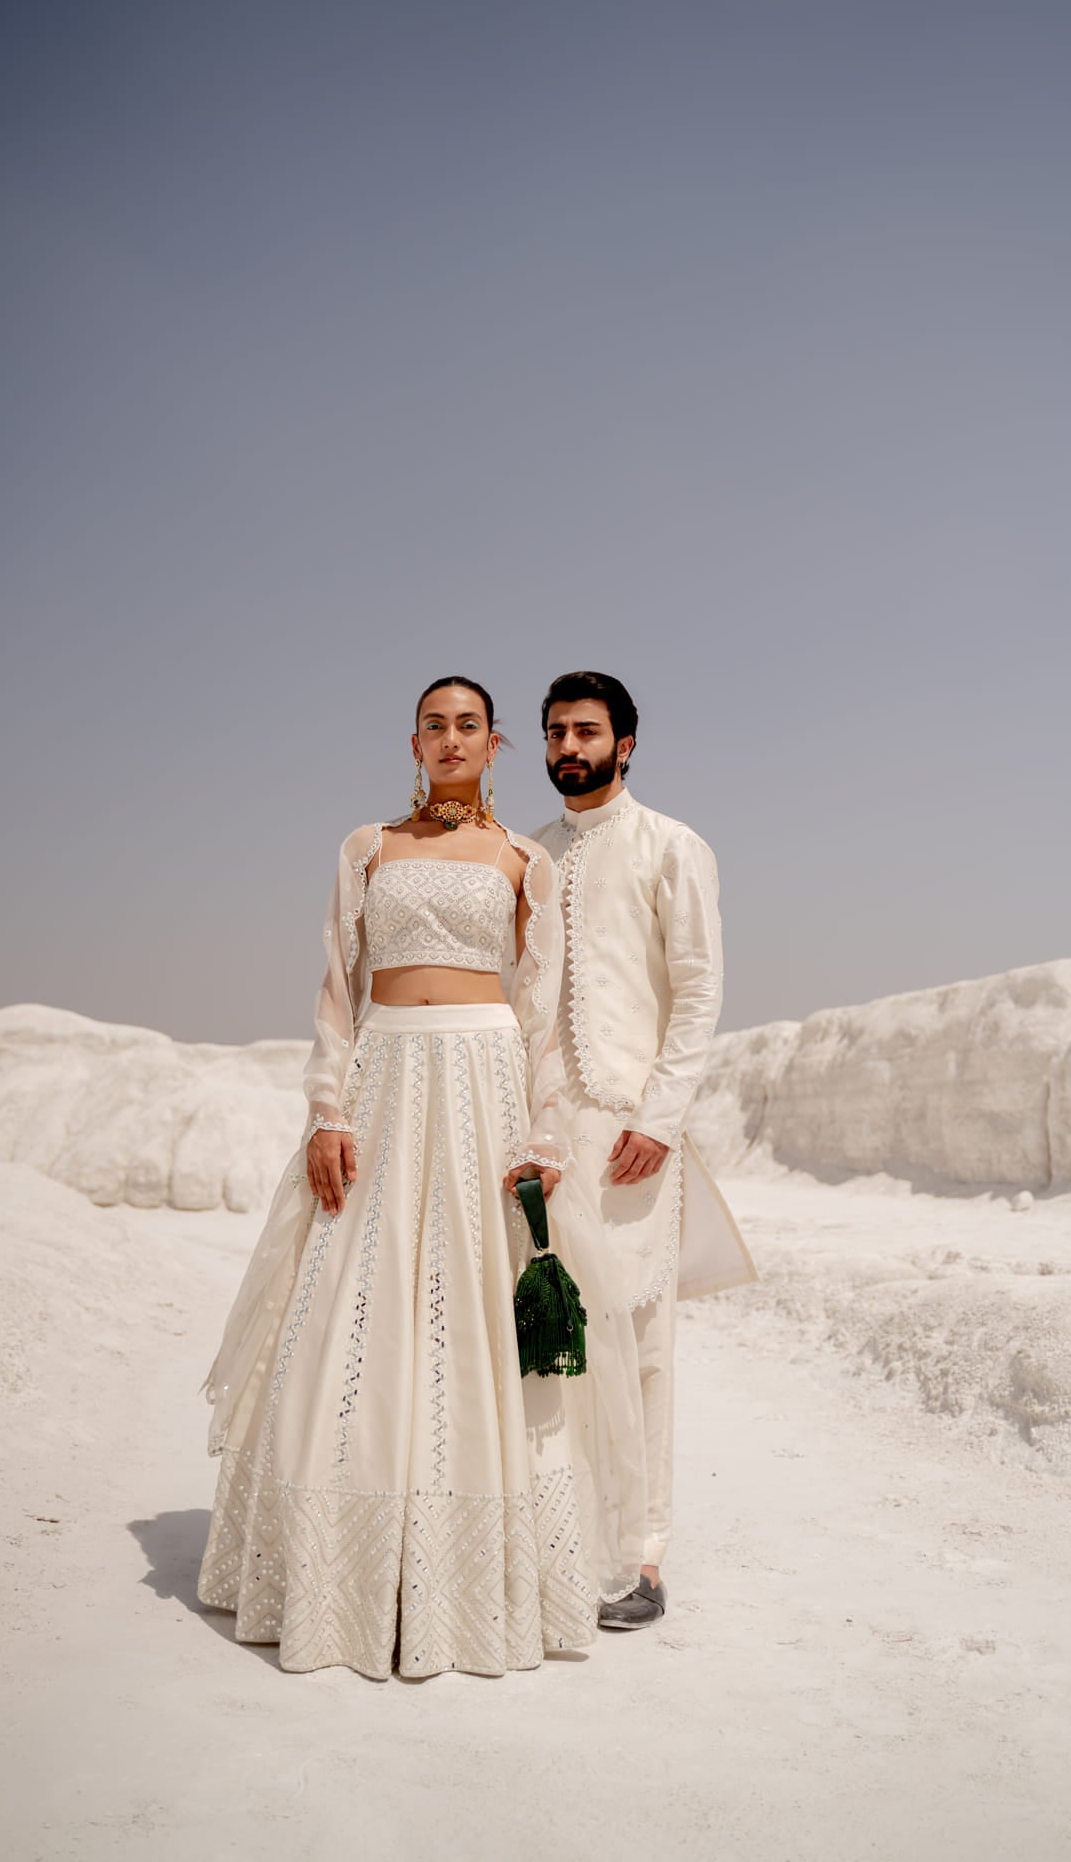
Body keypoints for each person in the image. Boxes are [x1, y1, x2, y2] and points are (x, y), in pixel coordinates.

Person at [197, 675, 642, 1679]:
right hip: (384, 1077)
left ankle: (461, 1580)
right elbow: (334, 988)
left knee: (468, 1316)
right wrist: (327, 1110)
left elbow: (537, 1012)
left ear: (496, 748)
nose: (451, 738)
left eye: (469, 726)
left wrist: (542, 1135)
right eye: (434, 725)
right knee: (353, 1307)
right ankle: (343, 1579)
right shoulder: (366, 847)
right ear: (413, 741)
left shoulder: (522, 859)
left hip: (484, 1082)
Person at [533, 670, 757, 1630]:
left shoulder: (673, 846)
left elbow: (699, 989)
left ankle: (640, 1557)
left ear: (626, 744)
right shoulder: (530, 856)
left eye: (585, 730)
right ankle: (553, 1538)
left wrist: (661, 1119)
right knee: (551, 1335)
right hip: (545, 1134)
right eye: (552, 732)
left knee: (640, 1341)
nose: (566, 748)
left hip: (632, 1135)